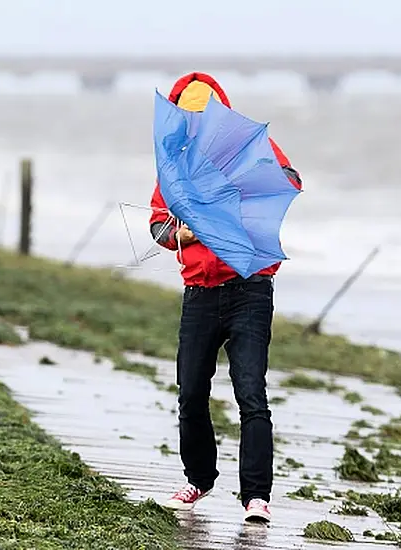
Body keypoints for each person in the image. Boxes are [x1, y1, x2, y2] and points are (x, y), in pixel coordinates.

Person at [149, 72, 302, 523]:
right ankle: (198, 479)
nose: (197, 126)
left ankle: (257, 497)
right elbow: (158, 227)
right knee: (191, 393)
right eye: (189, 117)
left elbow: (289, 180)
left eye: (206, 117)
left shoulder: (248, 150)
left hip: (252, 289)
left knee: (251, 393)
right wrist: (184, 230)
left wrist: (240, 186)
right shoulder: (173, 165)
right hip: (199, 292)